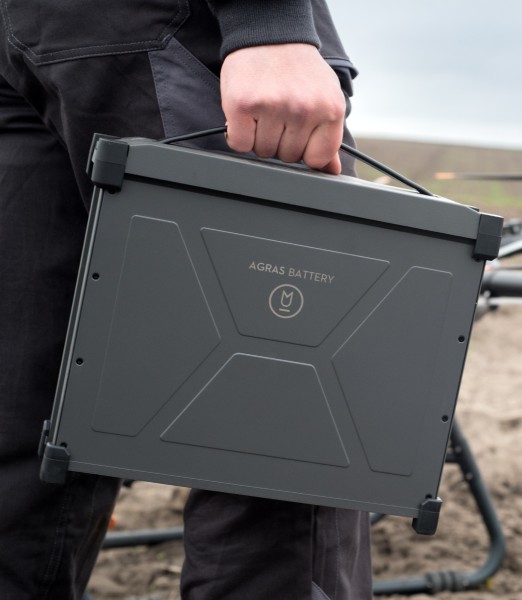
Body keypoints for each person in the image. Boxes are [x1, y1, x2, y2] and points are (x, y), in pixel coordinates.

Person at [0, 1, 372, 598]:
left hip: (30, 36)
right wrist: (267, 24)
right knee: (284, 433)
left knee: (23, 416)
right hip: (169, 21)